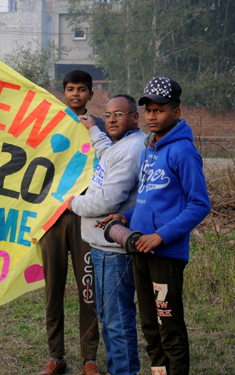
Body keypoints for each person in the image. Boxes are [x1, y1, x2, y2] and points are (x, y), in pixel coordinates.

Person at [100, 77, 211, 375]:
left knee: (169, 326)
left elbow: (200, 204)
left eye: (159, 110)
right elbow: (152, 200)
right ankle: (158, 372)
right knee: (149, 324)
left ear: (176, 112)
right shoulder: (150, 147)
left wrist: (161, 236)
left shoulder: (183, 152)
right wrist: (126, 217)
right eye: (147, 110)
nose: (151, 116)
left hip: (165, 255)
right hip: (140, 250)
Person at [68, 95, 146, 375]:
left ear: (135, 117)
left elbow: (107, 201)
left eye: (119, 114)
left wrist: (73, 202)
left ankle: (123, 372)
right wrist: (93, 129)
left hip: (114, 254)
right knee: (110, 317)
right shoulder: (121, 146)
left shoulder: (132, 149)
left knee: (116, 321)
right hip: (103, 248)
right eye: (108, 114)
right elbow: (107, 156)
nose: (111, 119)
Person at [36, 70, 104, 375]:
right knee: (53, 291)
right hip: (51, 218)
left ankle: (89, 358)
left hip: (85, 219)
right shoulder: (48, 125)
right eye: (70, 89)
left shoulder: (99, 127)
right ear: (62, 93)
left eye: (81, 90)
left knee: (87, 289)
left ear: (90, 94)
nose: (75, 94)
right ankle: (56, 356)